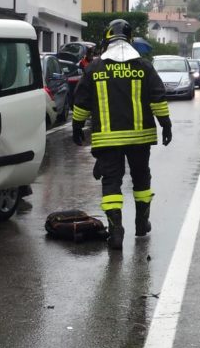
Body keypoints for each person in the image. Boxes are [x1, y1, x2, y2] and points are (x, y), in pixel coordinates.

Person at [71, 19, 173, 250]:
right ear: (129, 40)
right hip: (140, 138)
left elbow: (81, 103)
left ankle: (115, 231)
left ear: (108, 39)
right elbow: (158, 98)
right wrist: (165, 125)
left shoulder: (94, 68)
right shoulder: (143, 66)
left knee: (111, 184)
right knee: (141, 180)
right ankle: (141, 222)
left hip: (108, 140)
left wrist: (77, 128)